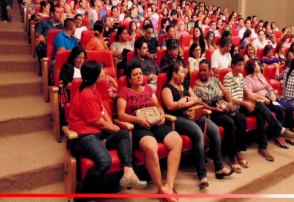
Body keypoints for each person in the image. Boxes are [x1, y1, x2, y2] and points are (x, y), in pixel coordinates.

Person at [68, 61, 146, 192]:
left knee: (123, 134)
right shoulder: (86, 94)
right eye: (101, 71)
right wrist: (111, 128)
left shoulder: (95, 90)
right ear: (95, 76)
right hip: (84, 137)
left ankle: (127, 171)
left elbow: (103, 110)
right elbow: (98, 122)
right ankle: (82, 192)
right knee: (105, 161)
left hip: (98, 133)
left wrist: (111, 126)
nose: (104, 73)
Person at [162, 62, 233, 189]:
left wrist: (186, 100)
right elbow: (170, 106)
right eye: (181, 72)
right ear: (174, 74)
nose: (184, 75)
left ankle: (219, 168)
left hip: (192, 114)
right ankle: (202, 175)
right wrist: (181, 103)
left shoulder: (185, 85)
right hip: (177, 118)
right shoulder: (167, 88)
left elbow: (197, 99)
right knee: (197, 133)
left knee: (214, 129)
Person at [117, 62, 182, 201]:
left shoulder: (148, 89)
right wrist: (137, 120)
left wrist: (162, 115)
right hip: (139, 126)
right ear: (129, 79)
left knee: (177, 141)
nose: (139, 76)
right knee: (151, 147)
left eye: (140, 73)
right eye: (135, 75)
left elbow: (158, 106)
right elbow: (121, 114)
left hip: (155, 123)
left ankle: (169, 186)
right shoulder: (124, 92)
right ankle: (160, 189)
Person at [224, 54, 294, 161]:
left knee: (260, 111)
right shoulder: (227, 78)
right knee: (259, 110)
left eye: (242, 65)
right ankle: (279, 130)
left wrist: (255, 101)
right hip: (236, 107)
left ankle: (263, 147)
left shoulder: (240, 77)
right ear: (232, 65)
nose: (241, 67)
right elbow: (230, 99)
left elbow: (247, 95)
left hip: (243, 104)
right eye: (239, 65)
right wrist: (246, 103)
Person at [194, 59, 247, 172]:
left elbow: (226, 92)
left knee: (241, 119)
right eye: (200, 70)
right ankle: (231, 157)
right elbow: (200, 103)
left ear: (209, 71)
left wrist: (230, 103)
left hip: (223, 104)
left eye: (205, 70)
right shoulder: (196, 86)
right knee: (229, 123)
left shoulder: (215, 80)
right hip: (211, 110)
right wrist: (214, 108)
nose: (202, 72)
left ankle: (238, 151)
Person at [244, 59, 294, 148]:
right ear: (253, 67)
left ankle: (279, 134)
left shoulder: (260, 75)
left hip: (270, 98)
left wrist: (271, 92)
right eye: (257, 64)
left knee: (281, 109)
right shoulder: (248, 79)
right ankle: (280, 133)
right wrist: (262, 97)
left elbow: (268, 86)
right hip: (261, 101)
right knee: (276, 110)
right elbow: (249, 94)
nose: (259, 66)